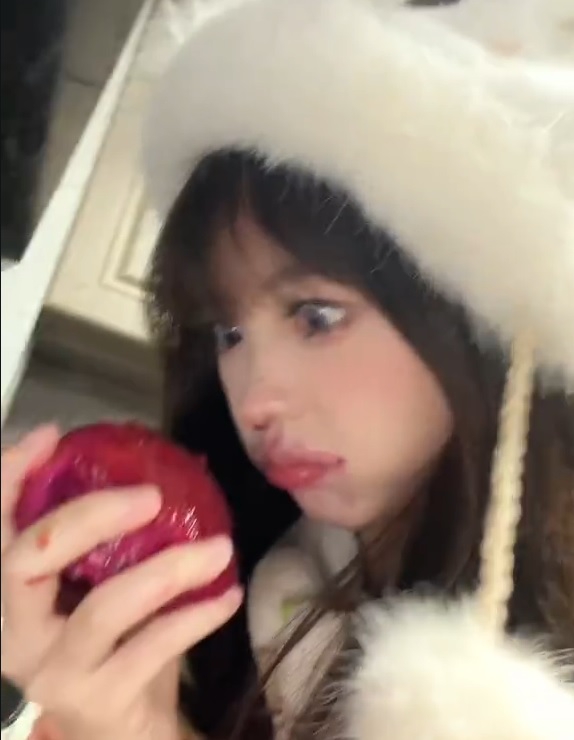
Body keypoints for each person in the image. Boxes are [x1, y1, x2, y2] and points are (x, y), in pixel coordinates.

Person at [2, 1, 573, 739]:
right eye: (229, 332)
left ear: (473, 318)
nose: (253, 398)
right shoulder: (272, 583)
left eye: (317, 316)